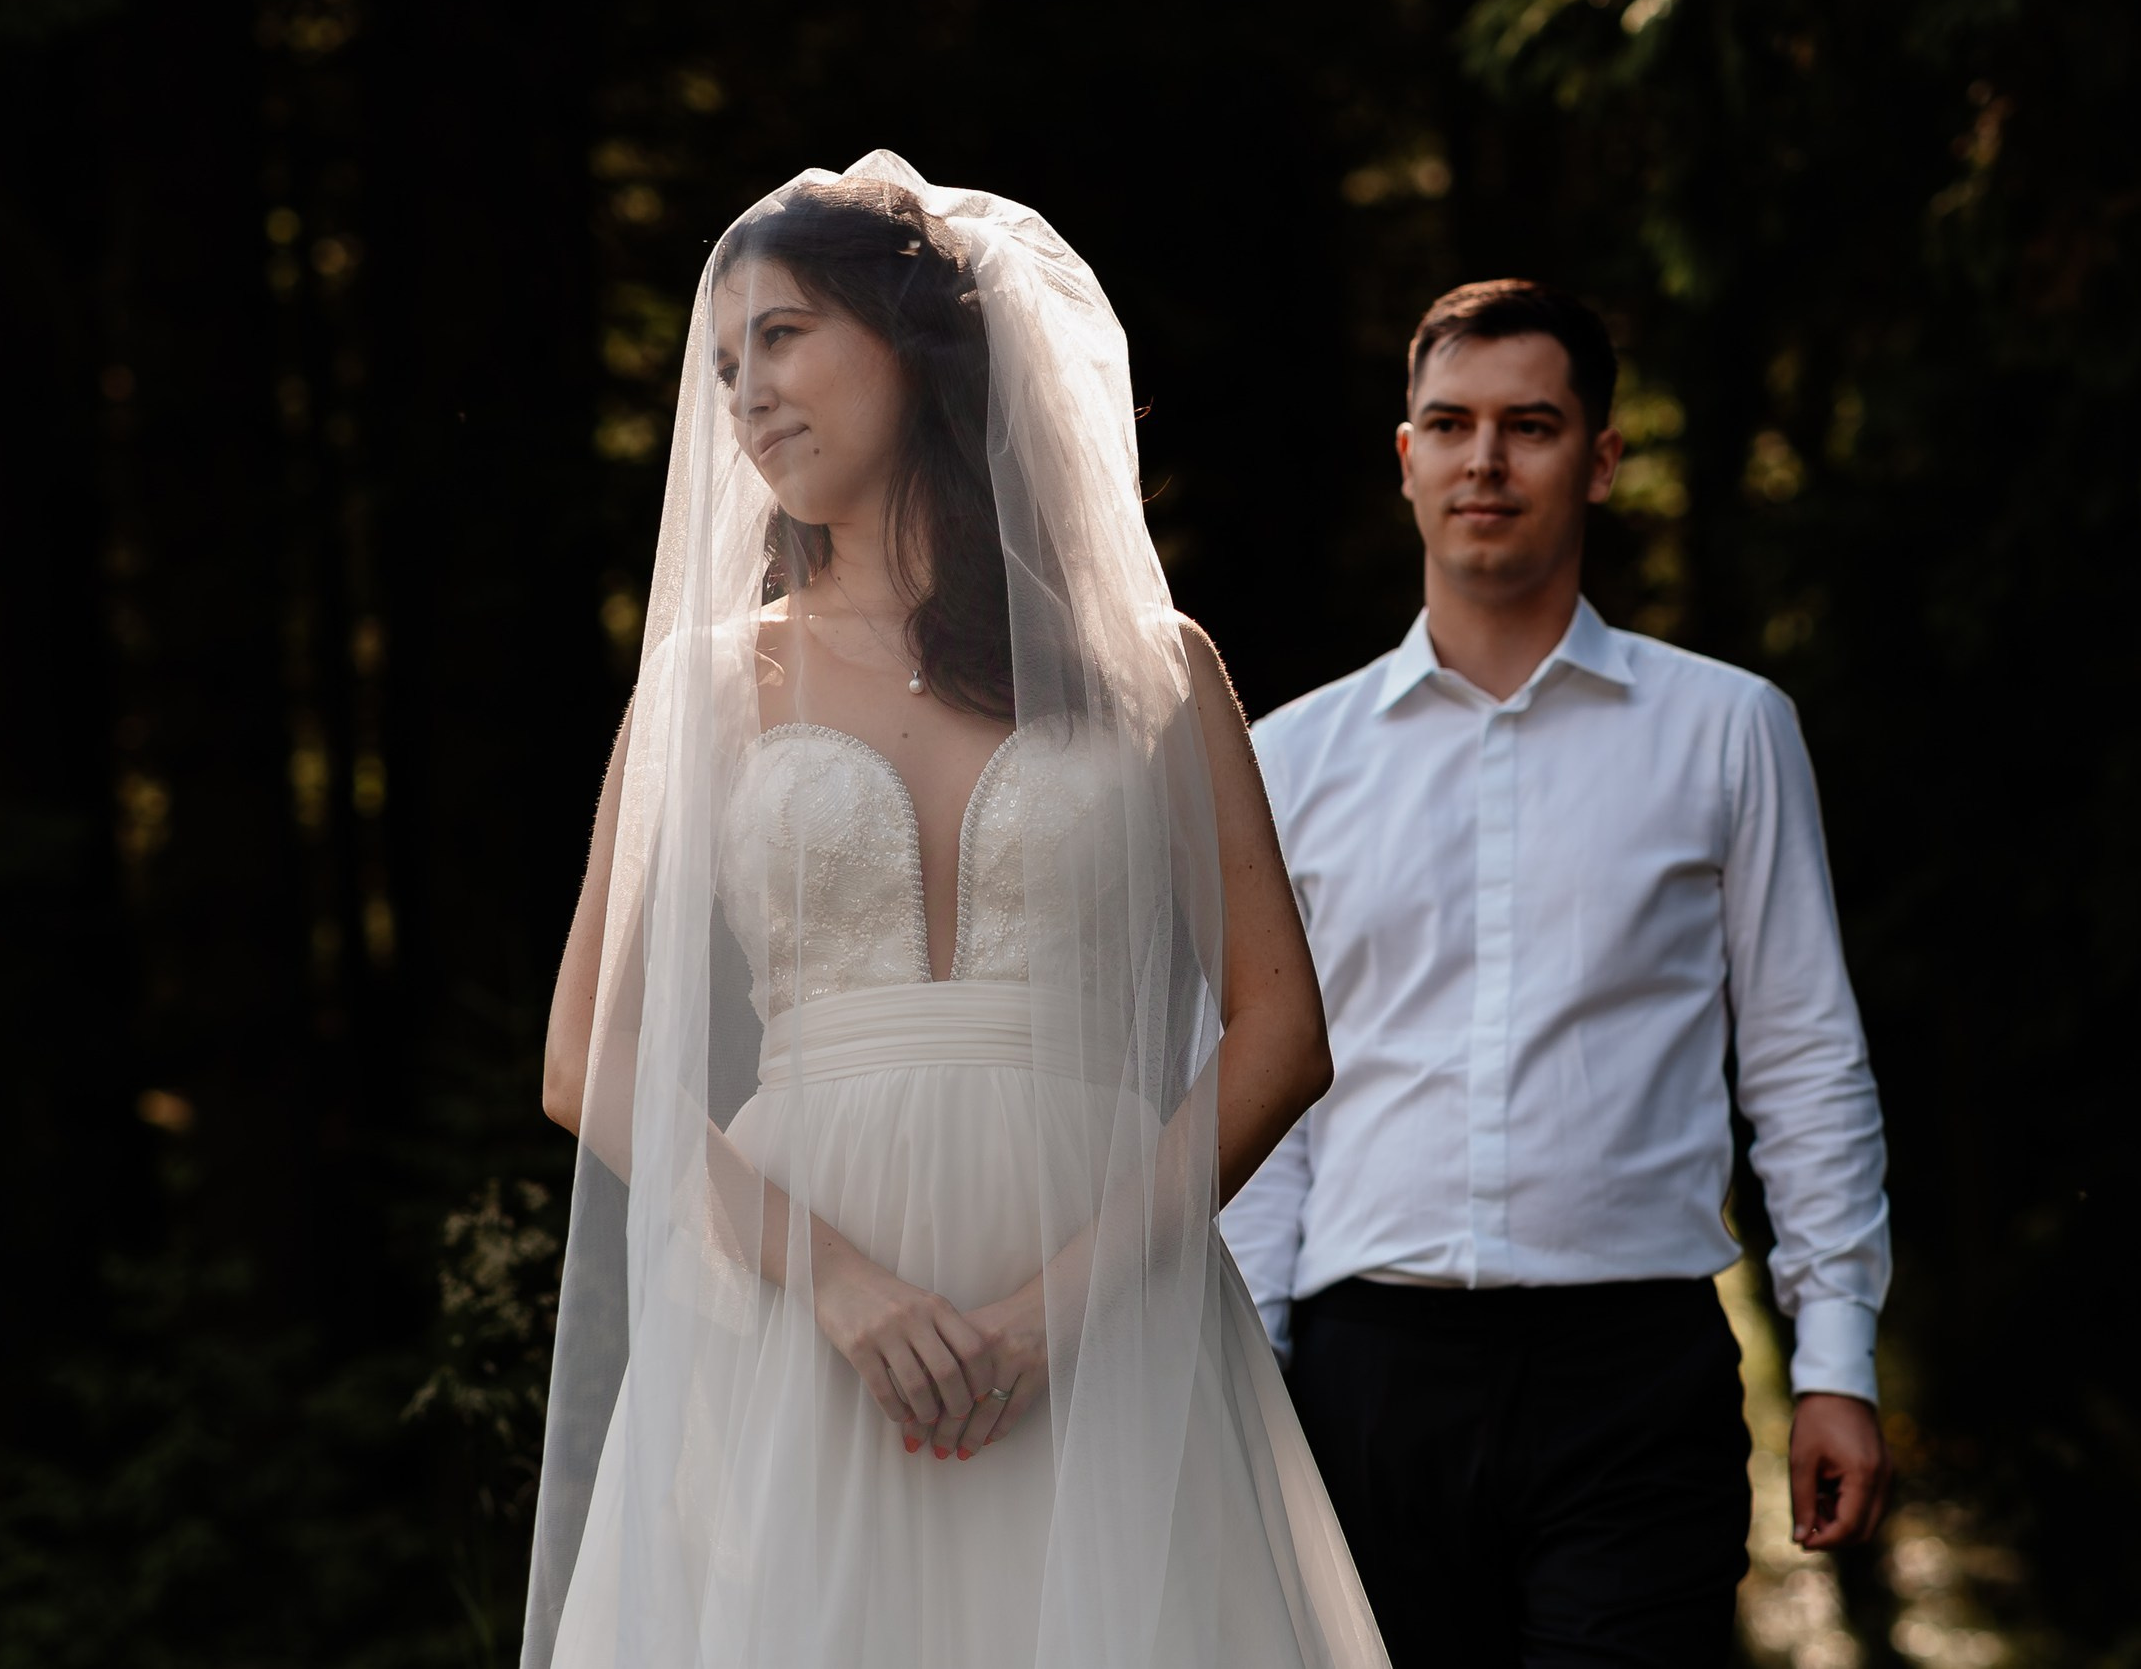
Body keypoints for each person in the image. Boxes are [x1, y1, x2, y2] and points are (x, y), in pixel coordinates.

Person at [521, 153, 1389, 1669]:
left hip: (1107, 1303)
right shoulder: (712, 684)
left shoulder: (1150, 667)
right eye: (725, 364)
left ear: (913, 344)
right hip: (800, 1323)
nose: (744, 395)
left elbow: (1280, 1029)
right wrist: (838, 1282)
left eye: (780, 336)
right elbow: (587, 1057)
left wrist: (1064, 1306)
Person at [1221, 280, 1895, 1666]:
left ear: (1597, 459)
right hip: (1367, 1379)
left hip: (1633, 1377)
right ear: (1405, 458)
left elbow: (1803, 1058)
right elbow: (1260, 1085)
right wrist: (1247, 1362)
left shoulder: (1727, 733)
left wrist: (1834, 1358)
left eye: (1530, 425)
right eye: (1450, 425)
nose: (1486, 461)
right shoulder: (1287, 760)